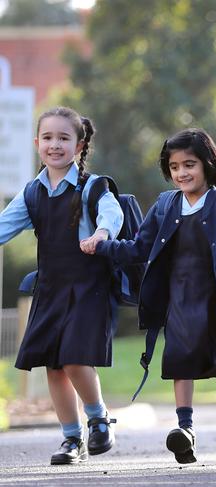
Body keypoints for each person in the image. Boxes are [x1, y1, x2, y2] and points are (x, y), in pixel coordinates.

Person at [81, 128, 216, 465]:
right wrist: (102, 246)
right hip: (178, 299)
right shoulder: (166, 205)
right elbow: (140, 247)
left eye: (190, 164)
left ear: (208, 164)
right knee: (180, 361)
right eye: (175, 166)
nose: (182, 172)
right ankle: (185, 429)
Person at [0, 106, 123, 465]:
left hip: (88, 287)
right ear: (37, 143)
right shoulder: (32, 192)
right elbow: (4, 226)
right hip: (50, 288)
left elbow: (111, 214)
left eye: (64, 138)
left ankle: (98, 417)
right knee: (53, 364)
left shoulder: (92, 186)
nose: (55, 145)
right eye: (48, 138)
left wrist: (101, 234)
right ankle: (72, 439)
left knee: (73, 357)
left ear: (79, 145)